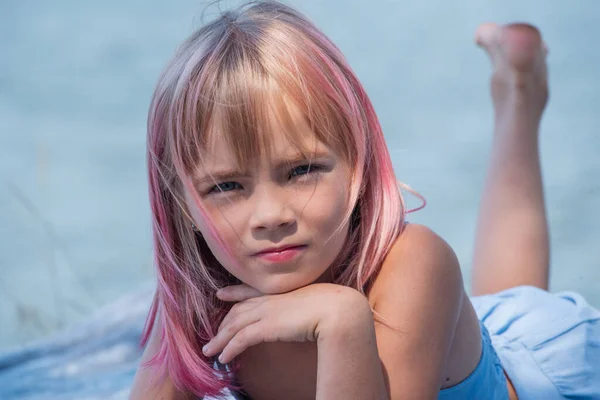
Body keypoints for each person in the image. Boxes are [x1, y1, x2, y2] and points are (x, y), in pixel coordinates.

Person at [129, 1, 600, 399]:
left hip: (534, 378)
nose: (270, 216)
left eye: (301, 170)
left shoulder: (418, 263)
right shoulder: (197, 299)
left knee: (516, 298)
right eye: (227, 186)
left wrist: (343, 322)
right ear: (181, 202)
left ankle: (520, 92)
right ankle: (518, 82)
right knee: (497, 297)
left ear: (357, 163)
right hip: (458, 336)